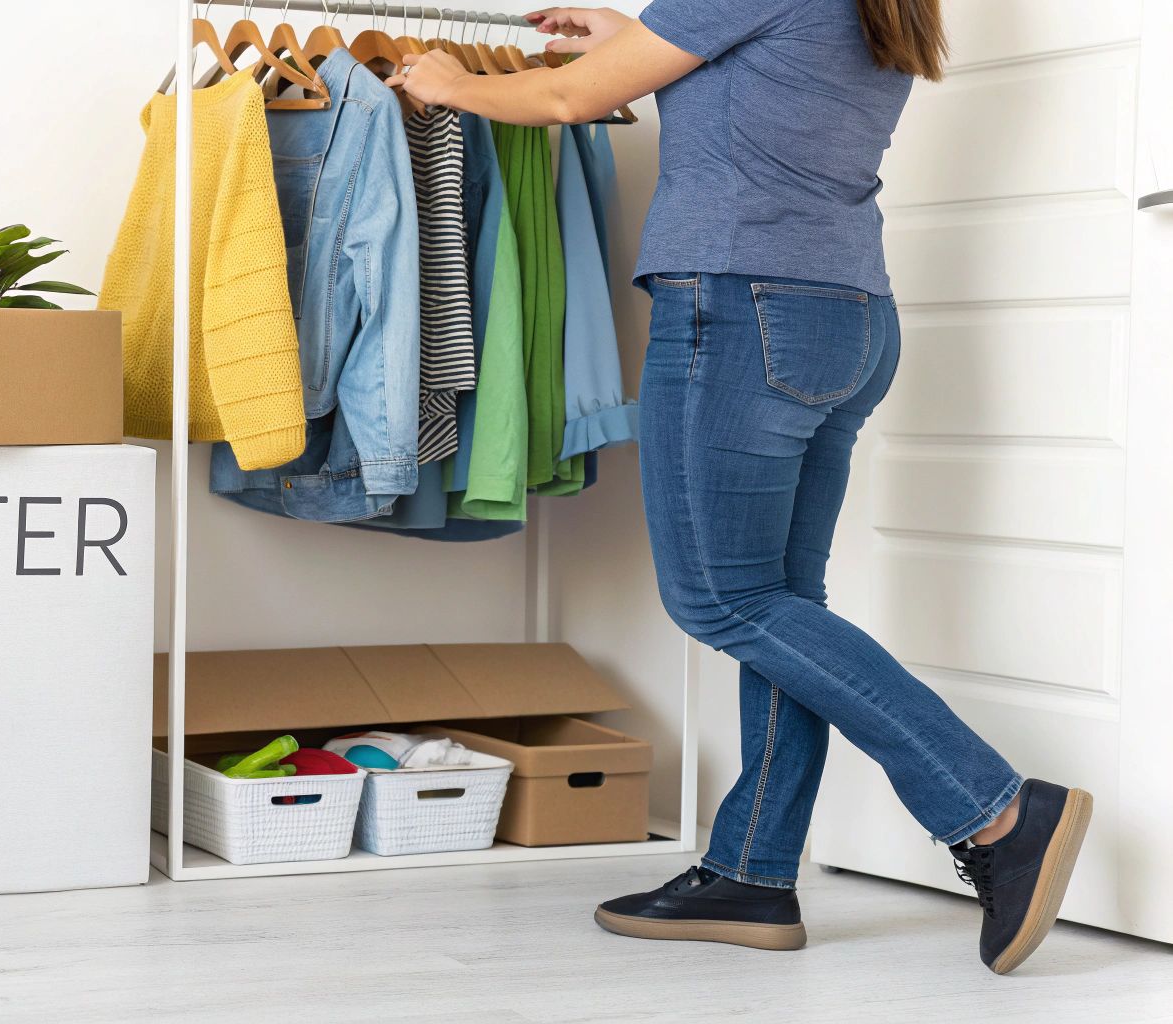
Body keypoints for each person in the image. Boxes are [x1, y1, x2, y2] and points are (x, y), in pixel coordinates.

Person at [388, 1, 1093, 976]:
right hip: (843, 313)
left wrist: (449, 86)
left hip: (739, 303)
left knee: (723, 597)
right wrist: (618, 34)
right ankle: (751, 874)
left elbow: (564, 96)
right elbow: (752, 85)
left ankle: (995, 808)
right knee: (779, 601)